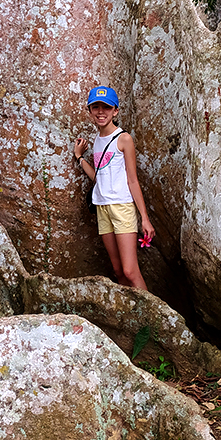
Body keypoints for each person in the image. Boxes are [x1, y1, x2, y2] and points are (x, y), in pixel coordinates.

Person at [73, 86, 155, 291]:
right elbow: (98, 178)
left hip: (122, 207)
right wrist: (79, 158)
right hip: (103, 208)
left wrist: (144, 218)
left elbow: (133, 180)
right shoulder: (97, 141)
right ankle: (133, 317)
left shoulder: (123, 139)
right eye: (96, 107)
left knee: (130, 271)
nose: (101, 112)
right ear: (90, 110)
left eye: (106, 107)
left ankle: (153, 321)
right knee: (118, 271)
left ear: (115, 111)